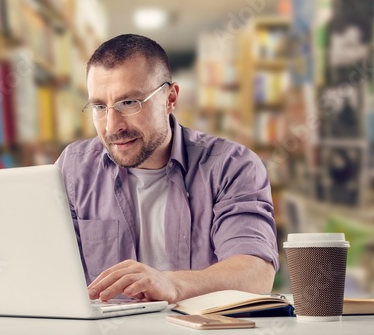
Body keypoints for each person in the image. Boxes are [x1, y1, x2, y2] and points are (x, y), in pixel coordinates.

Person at [55, 34, 279, 304]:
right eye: (100, 107)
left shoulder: (231, 166)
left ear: (170, 99)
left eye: (129, 103)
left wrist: (172, 283)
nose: (112, 126)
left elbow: (256, 275)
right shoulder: (73, 168)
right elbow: (39, 260)